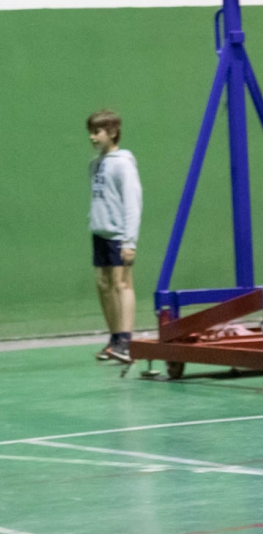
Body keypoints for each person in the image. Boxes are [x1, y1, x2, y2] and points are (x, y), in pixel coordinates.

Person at [87, 110, 143, 364]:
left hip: (119, 234)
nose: (92, 137)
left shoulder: (123, 163)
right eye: (90, 132)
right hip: (100, 233)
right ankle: (114, 339)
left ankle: (126, 342)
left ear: (112, 132)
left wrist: (129, 241)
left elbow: (132, 202)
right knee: (103, 285)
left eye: (97, 132)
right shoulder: (95, 164)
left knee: (122, 284)